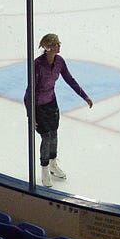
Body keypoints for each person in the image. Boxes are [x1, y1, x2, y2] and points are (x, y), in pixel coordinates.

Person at [30, 33, 93, 183]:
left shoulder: (59, 61)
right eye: (57, 44)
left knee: (54, 134)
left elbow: (70, 80)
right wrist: (31, 115)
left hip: (52, 103)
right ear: (49, 47)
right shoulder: (37, 65)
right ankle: (44, 168)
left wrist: (84, 96)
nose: (59, 46)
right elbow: (29, 92)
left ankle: (52, 163)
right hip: (39, 106)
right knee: (46, 137)